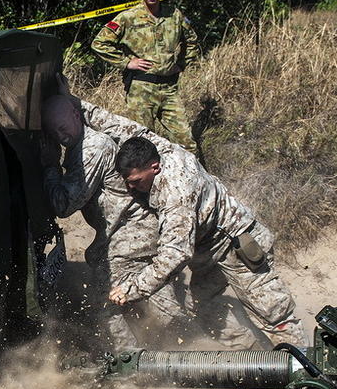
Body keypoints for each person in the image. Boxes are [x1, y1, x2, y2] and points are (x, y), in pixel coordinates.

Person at [105, 132, 305, 347]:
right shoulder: (167, 150)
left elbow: (175, 254)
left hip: (237, 245)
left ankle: (302, 367)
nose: (131, 188)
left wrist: (131, 289)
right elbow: (124, 127)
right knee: (202, 307)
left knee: (272, 311)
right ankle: (252, 356)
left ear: (154, 167)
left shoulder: (176, 197)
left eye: (136, 181)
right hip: (210, 251)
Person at [40, 94, 188, 348]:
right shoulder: (83, 144)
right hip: (132, 233)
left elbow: (63, 205)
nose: (60, 135)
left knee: (103, 302)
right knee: (158, 298)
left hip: (129, 237)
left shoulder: (93, 148)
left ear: (76, 116)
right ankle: (181, 346)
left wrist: (50, 167)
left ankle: (129, 363)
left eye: (63, 127)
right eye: (54, 131)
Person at [91, 0, 199, 153]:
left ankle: (193, 181)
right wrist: (126, 63)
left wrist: (181, 65)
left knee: (187, 143)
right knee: (143, 146)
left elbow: (192, 41)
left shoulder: (174, 15)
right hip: (141, 89)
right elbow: (99, 43)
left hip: (169, 88)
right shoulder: (128, 17)